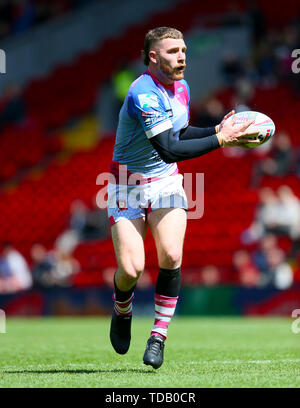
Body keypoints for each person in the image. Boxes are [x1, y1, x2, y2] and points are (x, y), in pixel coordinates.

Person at [107, 26, 260, 369]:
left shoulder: (182, 88)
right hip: (125, 185)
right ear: (154, 56)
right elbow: (169, 148)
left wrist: (217, 130)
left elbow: (179, 131)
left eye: (184, 51)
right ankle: (122, 308)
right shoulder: (142, 93)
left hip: (164, 183)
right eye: (174, 51)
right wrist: (222, 142)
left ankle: (158, 337)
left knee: (172, 255)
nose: (182, 57)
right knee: (131, 269)